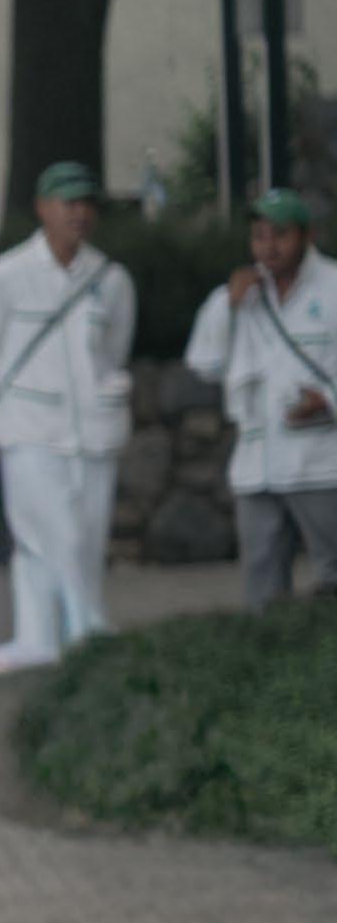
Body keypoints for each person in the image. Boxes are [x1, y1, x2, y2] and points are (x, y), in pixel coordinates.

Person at [0, 162, 136, 674]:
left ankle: (39, 637)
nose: (79, 213)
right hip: (29, 428)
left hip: (93, 431)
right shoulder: (6, 275)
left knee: (86, 535)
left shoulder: (111, 280)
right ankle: (84, 629)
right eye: (67, 203)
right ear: (43, 208)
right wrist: (15, 399)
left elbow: (114, 350)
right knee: (48, 533)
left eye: (86, 203)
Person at [182, 188, 337, 609]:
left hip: (321, 462)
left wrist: (327, 401)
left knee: (332, 572)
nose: (269, 247)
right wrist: (229, 308)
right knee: (261, 580)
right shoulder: (235, 296)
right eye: (259, 236)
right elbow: (204, 362)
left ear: (306, 236)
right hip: (257, 463)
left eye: (280, 235)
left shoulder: (332, 287)